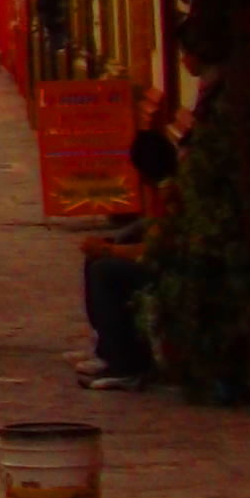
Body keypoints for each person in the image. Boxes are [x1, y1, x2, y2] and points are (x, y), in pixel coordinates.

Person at [75, 117, 179, 387]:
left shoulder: (172, 195)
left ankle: (126, 365)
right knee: (98, 261)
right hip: (162, 259)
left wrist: (111, 249)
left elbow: (154, 250)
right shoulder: (163, 191)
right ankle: (107, 349)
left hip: (171, 267)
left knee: (105, 270)